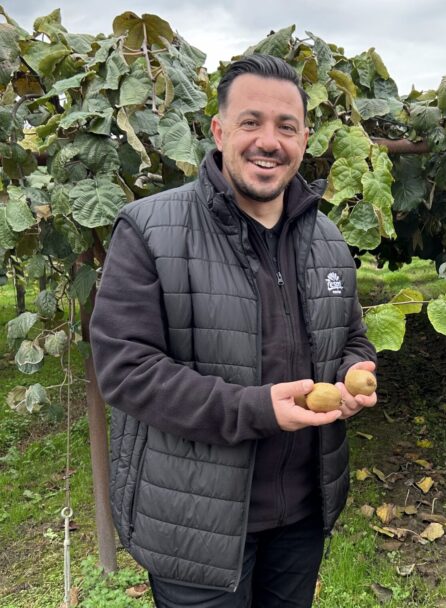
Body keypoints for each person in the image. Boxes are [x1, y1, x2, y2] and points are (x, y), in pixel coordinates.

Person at [90, 54, 377, 608]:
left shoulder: (328, 238)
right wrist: (257, 409)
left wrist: (353, 370)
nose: (268, 141)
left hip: (301, 515)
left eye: (286, 127)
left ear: (304, 139)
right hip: (196, 522)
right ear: (219, 131)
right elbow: (127, 372)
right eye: (251, 122)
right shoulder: (148, 228)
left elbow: (351, 337)